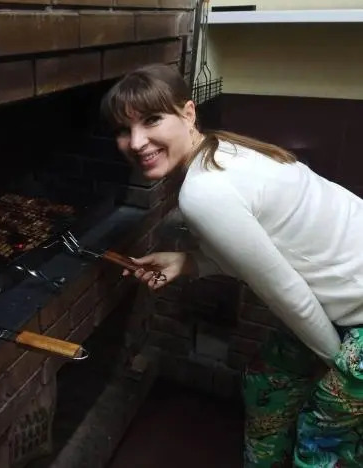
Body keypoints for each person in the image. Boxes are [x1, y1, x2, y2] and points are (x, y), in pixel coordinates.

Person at [100, 63, 363, 467]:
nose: (136, 142)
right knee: (266, 383)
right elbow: (263, 253)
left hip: (354, 312)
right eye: (123, 129)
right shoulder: (221, 149)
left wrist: (332, 365)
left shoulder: (203, 192)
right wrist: (191, 262)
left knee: (321, 432)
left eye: (152, 120)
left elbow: (289, 295)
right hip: (346, 298)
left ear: (188, 113)